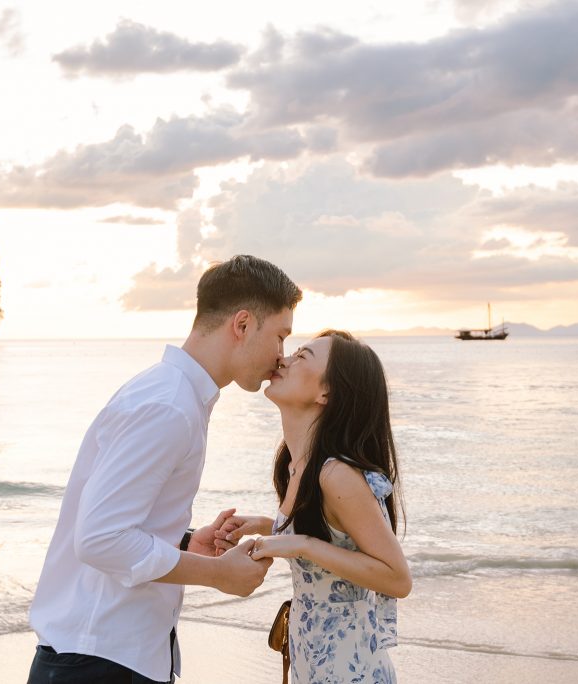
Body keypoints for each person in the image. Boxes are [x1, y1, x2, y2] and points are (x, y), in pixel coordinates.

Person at [27, 255, 303, 684]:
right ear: (243, 325)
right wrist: (217, 575)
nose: (281, 356)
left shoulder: (174, 396)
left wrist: (187, 541)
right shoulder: (168, 406)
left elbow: (120, 521)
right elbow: (100, 539)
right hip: (98, 660)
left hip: (116, 653)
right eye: (280, 336)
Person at [218, 330, 412, 683]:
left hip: (350, 671)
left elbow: (397, 578)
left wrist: (303, 545)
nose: (283, 360)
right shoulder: (297, 466)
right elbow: (332, 533)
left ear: (327, 392)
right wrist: (265, 525)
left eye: (302, 356)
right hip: (315, 661)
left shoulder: (336, 474)